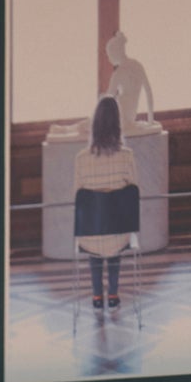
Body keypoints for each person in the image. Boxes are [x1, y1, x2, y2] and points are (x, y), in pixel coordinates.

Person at [73, 95, 138, 313]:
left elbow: (78, 195)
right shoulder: (127, 156)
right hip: (118, 233)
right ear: (118, 124)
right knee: (114, 236)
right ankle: (113, 295)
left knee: (95, 241)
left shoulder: (81, 158)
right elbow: (134, 190)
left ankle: (96, 296)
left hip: (89, 233)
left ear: (95, 124)